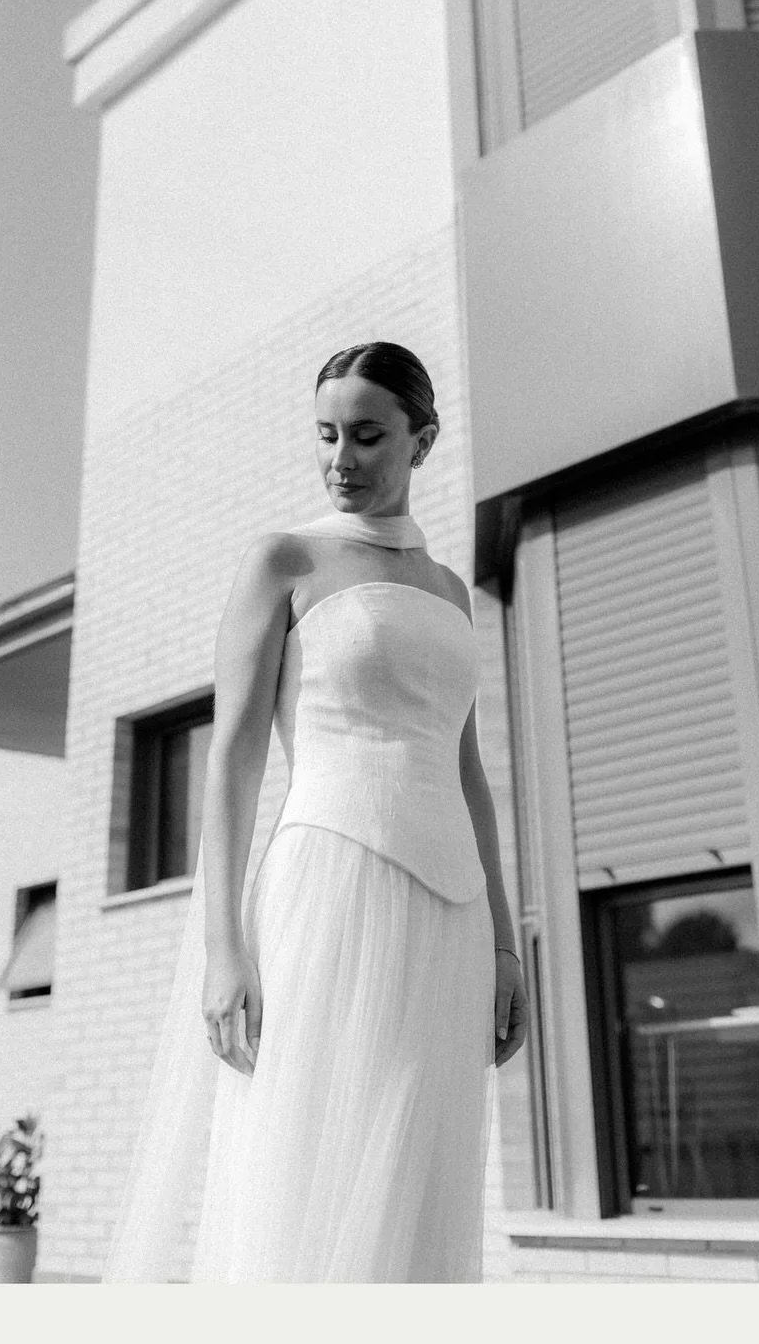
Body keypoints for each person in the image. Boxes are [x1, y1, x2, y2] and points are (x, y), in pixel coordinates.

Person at [103, 341, 529, 1282]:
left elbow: (469, 775)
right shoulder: (282, 560)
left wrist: (504, 941)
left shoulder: (452, 591)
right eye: (327, 434)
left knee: (416, 1178)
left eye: (368, 435)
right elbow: (231, 762)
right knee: (307, 1164)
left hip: (450, 910)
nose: (342, 457)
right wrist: (223, 947)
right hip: (329, 889)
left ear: (423, 440)